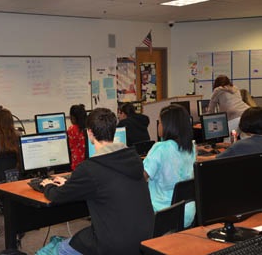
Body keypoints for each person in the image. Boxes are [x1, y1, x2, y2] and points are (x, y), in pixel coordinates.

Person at [40, 108, 154, 255]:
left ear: (90, 133)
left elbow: (57, 196)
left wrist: (48, 185)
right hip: (144, 238)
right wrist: (70, 184)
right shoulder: (133, 159)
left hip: (114, 244)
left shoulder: (90, 168)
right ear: (114, 130)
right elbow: (104, 184)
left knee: (60, 249)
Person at [143, 104, 196, 228]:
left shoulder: (160, 148)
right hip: (188, 213)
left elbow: (142, 177)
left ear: (168, 126)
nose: (158, 125)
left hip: (163, 214)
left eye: (160, 122)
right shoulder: (191, 147)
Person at [67, 104, 87, 170]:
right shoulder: (88, 128)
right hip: (88, 162)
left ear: (73, 117)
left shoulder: (72, 129)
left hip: (77, 164)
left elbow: (69, 147)